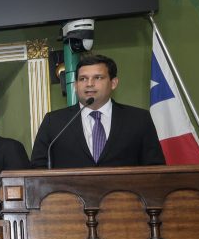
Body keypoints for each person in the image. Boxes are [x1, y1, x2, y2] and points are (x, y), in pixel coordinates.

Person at [31, 54, 165, 169]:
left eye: (98, 78)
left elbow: (155, 168)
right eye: (83, 79)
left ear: (113, 83)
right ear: (76, 86)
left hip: (124, 198)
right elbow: (37, 169)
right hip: (69, 198)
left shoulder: (138, 119)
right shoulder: (54, 122)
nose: (89, 84)